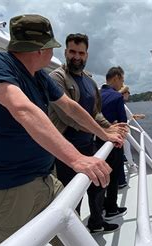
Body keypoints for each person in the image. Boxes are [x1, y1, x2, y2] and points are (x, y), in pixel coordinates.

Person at [0, 14, 123, 246]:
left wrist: (103, 133)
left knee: (72, 242)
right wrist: (77, 159)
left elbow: (70, 107)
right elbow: (22, 108)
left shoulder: (38, 77)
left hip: (45, 180)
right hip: (7, 190)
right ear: (41, 49)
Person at [49, 33, 123, 234]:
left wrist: (110, 127)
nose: (76, 56)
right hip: (66, 151)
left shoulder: (89, 81)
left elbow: (95, 112)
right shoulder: (56, 78)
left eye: (81, 53)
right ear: (65, 52)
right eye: (72, 51)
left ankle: (96, 223)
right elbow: (69, 117)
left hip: (88, 145)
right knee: (73, 196)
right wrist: (103, 133)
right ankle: (74, 236)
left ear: (87, 55)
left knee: (98, 186)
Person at [97, 67, 128, 219]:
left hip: (96, 142)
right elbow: (123, 122)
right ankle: (111, 209)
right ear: (115, 78)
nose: (122, 84)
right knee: (114, 175)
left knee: (101, 177)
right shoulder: (116, 97)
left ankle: (101, 206)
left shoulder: (96, 95)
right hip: (113, 143)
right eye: (122, 80)